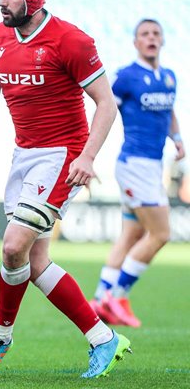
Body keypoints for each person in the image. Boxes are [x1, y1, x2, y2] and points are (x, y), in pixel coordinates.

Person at [0, 0, 131, 379]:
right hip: (24, 155)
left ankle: (0, 336)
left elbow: (107, 104)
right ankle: (102, 338)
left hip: (63, 154)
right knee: (32, 261)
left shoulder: (70, 40)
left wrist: (88, 156)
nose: (2, 1)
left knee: (13, 246)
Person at [89, 19, 184, 327]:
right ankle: (117, 297)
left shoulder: (168, 78)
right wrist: (87, 154)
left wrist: (178, 139)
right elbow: (104, 108)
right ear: (135, 42)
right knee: (161, 233)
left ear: (162, 40)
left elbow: (169, 111)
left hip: (152, 166)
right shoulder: (126, 77)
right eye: (145, 34)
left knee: (131, 234)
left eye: (156, 33)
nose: (151, 38)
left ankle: (99, 299)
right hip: (134, 165)